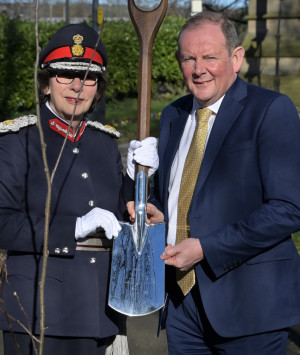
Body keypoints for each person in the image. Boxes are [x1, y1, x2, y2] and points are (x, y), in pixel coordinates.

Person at [129, 10, 300, 354]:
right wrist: (158, 212)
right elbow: (176, 192)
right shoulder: (174, 115)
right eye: (189, 58)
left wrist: (206, 247)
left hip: (249, 307)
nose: (198, 68)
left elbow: (288, 209)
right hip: (181, 306)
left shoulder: (270, 110)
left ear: (236, 58)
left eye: (210, 57)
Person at [0, 24, 158, 355]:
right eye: (65, 75)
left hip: (103, 309)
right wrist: (73, 228)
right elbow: (3, 222)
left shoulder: (105, 143)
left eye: (88, 77)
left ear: (98, 88)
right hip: (41, 312)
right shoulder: (17, 142)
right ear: (45, 84)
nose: (77, 86)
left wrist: (138, 182)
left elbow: (123, 217)